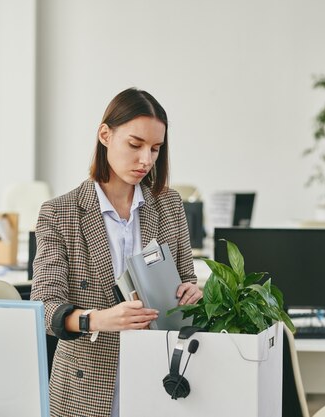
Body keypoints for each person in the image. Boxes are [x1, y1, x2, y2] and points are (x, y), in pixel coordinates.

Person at [31, 87, 203, 417]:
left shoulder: (168, 205)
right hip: (86, 389)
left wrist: (192, 292)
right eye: (135, 145)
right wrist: (100, 319)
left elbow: (187, 281)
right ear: (105, 135)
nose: (146, 160)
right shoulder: (60, 213)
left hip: (161, 376)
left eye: (155, 149)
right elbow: (43, 310)